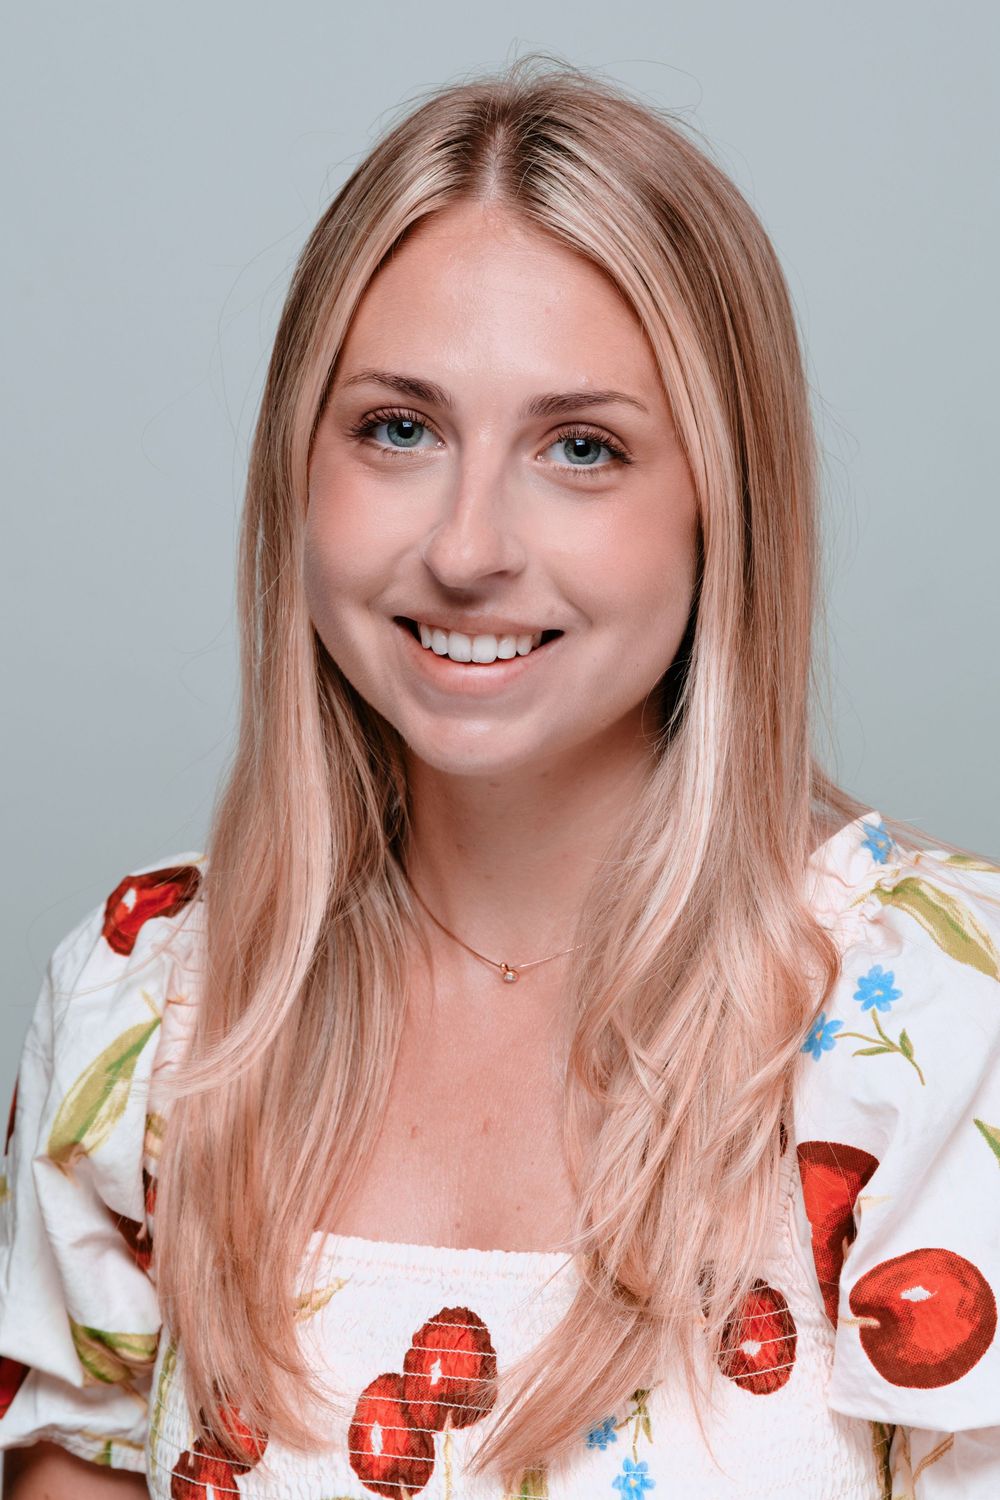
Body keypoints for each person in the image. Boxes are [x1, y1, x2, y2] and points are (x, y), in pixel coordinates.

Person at [2, 53, 998, 1500]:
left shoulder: (935, 1023)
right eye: (398, 429)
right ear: (298, 466)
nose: (468, 547)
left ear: (722, 507)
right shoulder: (151, 1007)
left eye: (581, 448)